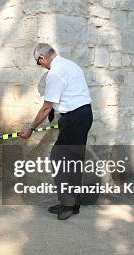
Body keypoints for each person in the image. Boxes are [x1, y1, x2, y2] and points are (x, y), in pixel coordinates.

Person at [20, 43, 93, 220]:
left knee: (60, 160)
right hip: (84, 114)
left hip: (74, 118)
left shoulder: (54, 73)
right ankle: (72, 203)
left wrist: (31, 128)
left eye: (38, 63)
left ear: (42, 58)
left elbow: (46, 107)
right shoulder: (70, 65)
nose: (41, 66)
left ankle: (68, 205)